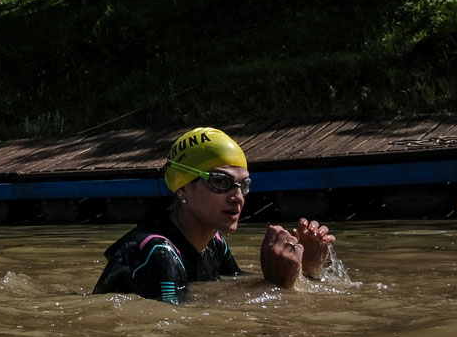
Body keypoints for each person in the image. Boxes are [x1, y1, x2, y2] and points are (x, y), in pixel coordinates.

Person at [92, 127, 335, 303]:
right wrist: (276, 285)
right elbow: (180, 328)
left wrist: (306, 270)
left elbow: (236, 288)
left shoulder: (214, 243)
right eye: (220, 182)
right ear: (183, 188)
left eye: (243, 185)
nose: (238, 197)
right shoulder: (157, 252)